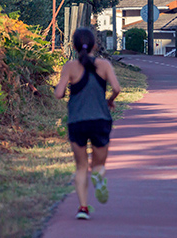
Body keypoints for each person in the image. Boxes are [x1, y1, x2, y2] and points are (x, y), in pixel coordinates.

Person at [55, 27, 121, 220]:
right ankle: (99, 175)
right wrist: (110, 100)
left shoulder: (69, 66)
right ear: (95, 45)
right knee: (98, 164)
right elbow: (117, 88)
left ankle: (83, 208)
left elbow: (59, 94)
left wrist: (65, 89)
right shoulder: (105, 65)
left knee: (81, 166)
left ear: (74, 47)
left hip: (77, 121)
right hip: (101, 120)